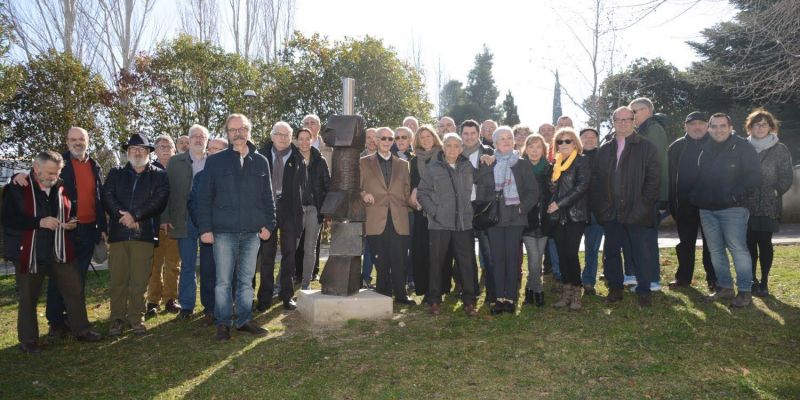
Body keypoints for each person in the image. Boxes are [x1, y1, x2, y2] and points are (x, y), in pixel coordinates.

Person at [10, 127, 108, 338]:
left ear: (87, 141)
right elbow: (33, 186)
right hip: (47, 240)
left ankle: (77, 324)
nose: (77, 142)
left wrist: (99, 227)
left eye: (81, 139)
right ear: (66, 141)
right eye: (73, 139)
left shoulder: (93, 166)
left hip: (81, 231)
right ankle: (54, 324)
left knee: (75, 281)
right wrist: (16, 176)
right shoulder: (51, 168)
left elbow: (97, 199)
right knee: (49, 285)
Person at [197, 114, 275, 341]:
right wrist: (205, 229)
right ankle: (223, 323)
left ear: (249, 130)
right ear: (227, 134)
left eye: (241, 129)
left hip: (252, 233)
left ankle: (244, 320)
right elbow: (204, 198)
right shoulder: (215, 161)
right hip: (223, 232)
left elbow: (268, 198)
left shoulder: (261, 161)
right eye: (232, 130)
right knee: (222, 281)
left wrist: (269, 223)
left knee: (246, 280)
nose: (237, 133)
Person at [591, 106, 661, 307]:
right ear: (613, 122)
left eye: (627, 119)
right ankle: (615, 288)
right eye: (618, 120)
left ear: (633, 121)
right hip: (611, 214)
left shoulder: (647, 148)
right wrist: (602, 210)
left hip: (637, 213)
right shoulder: (604, 150)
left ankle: (644, 290)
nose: (623, 123)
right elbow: (596, 183)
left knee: (640, 253)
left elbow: (653, 183)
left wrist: (642, 209)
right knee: (611, 252)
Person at [103, 133, 170, 335]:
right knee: (118, 279)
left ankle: (136, 318)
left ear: (149, 152)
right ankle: (117, 318)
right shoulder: (115, 173)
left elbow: (159, 200)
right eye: (133, 149)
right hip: (118, 234)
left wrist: (136, 216)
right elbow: (106, 196)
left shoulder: (159, 175)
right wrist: (121, 216)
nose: (137, 152)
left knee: (140, 280)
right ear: (127, 152)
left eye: (142, 149)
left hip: (144, 234)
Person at [692, 113, 761, 307]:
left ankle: (745, 291)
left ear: (731, 127)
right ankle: (725, 288)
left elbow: (754, 176)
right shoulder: (705, 148)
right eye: (714, 126)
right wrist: (697, 196)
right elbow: (700, 177)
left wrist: (735, 195)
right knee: (715, 251)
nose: (718, 130)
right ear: (709, 128)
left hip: (734, 209)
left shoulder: (743, 147)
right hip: (707, 209)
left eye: (723, 126)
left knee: (738, 249)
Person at [476, 126, 538, 315]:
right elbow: (482, 191)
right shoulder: (488, 163)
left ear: (514, 141)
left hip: (515, 218)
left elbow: (533, 191)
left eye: (509, 138)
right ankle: (498, 298)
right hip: (495, 219)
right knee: (497, 259)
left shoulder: (522, 163)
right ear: (494, 143)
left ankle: (510, 298)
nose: (506, 141)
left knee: (512, 259)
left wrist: (522, 207)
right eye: (501, 138)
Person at [417, 133, 480, 317]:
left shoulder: (467, 166)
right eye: (449, 145)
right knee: (436, 263)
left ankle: (469, 301)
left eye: (456, 146)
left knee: (466, 263)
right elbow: (422, 193)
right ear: (443, 147)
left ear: (461, 148)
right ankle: (434, 300)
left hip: (463, 224)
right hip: (439, 225)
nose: (453, 149)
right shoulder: (433, 167)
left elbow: (480, 185)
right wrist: (434, 212)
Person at [360, 127, 415, 305]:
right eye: (382, 138)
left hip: (399, 218)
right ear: (375, 140)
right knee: (381, 259)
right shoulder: (363, 162)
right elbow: (355, 188)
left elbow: (407, 192)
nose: (386, 141)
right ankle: (383, 293)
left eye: (390, 139)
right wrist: (363, 194)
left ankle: (401, 294)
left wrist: (416, 202)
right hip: (375, 218)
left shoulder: (403, 164)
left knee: (399, 258)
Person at [742, 109, 793, 297]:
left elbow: (787, 176)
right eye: (756, 124)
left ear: (771, 127)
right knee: (748, 244)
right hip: (745, 205)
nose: (760, 127)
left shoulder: (780, 149)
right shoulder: (743, 147)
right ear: (750, 127)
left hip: (768, 204)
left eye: (764, 124)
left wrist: (775, 191)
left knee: (764, 243)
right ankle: (751, 280)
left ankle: (764, 281)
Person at [257, 121, 305, 312]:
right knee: (267, 256)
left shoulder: (297, 157)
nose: (283, 138)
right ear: (272, 136)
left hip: (290, 211)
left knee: (289, 255)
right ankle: (264, 297)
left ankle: (287, 295)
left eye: (287, 135)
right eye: (279, 134)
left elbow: (303, 186)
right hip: (267, 210)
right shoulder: (260, 156)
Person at [168, 125, 213, 322]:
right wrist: (165, 219)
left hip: (207, 222)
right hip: (184, 221)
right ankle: (186, 306)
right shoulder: (175, 162)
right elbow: (166, 192)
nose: (197, 139)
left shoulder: (214, 162)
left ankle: (209, 304)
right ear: (188, 139)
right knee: (187, 264)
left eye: (201, 136)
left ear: (207, 140)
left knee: (208, 265)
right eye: (194, 136)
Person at [667, 112, 716, 291]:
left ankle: (713, 279)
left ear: (707, 126)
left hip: (710, 204)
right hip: (685, 204)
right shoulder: (676, 147)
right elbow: (670, 178)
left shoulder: (716, 144)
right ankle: (683, 278)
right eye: (692, 123)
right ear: (686, 126)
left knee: (711, 244)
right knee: (685, 243)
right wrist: (672, 203)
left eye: (701, 123)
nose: (697, 127)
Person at [182, 136, 227, 325]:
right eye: (210, 149)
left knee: (226, 272)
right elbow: (193, 203)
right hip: (207, 232)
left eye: (216, 149)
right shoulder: (200, 176)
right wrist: (203, 226)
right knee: (208, 271)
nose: (211, 152)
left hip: (228, 233)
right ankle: (209, 309)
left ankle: (225, 307)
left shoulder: (233, 175)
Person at [547, 128, 591, 310]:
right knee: (562, 254)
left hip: (575, 214)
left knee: (571, 253)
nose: (563, 144)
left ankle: (576, 292)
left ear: (575, 143)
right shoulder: (555, 164)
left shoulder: (582, 161)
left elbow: (582, 187)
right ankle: (566, 291)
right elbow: (552, 189)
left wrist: (559, 203)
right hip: (558, 217)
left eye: (568, 141)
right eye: (560, 141)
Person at [630, 97, 669, 291]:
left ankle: (652, 279)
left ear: (647, 110)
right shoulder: (643, 130)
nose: (631, 117)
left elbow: (652, 163)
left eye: (634, 112)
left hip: (648, 194)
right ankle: (642, 277)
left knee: (647, 239)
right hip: (643, 194)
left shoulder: (653, 129)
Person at [146, 135, 182, 316]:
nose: (165, 149)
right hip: (155, 225)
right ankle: (152, 301)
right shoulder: (148, 171)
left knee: (173, 264)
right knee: (154, 265)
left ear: (174, 149)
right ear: (155, 150)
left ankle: (171, 299)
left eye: (168, 146)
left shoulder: (180, 168)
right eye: (161, 146)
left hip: (176, 225)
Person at [460, 120, 494, 301]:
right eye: (465, 134)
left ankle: (492, 293)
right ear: (461, 136)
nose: (469, 137)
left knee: (488, 254)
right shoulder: (454, 154)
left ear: (479, 134)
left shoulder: (490, 153)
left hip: (483, 208)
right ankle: (470, 291)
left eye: (473, 133)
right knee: (466, 254)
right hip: (463, 209)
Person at [408, 125, 443, 299]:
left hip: (440, 210)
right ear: (418, 141)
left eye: (429, 136)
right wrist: (414, 191)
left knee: (437, 252)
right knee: (421, 251)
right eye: (422, 137)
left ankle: (438, 289)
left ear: (434, 137)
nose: (426, 139)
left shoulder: (443, 155)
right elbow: (414, 182)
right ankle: (426, 290)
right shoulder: (414, 161)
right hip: (421, 211)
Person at [296, 128, 331, 290]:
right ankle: (283, 281)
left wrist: (325, 211)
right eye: (300, 138)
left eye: (307, 138)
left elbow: (327, 186)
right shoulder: (291, 158)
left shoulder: (320, 160)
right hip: (296, 209)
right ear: (296, 141)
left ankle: (305, 283)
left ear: (312, 140)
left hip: (314, 209)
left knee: (309, 247)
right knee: (292, 246)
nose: (304, 142)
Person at [521, 134, 551, 307]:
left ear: (543, 150)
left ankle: (529, 289)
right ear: (526, 148)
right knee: (533, 258)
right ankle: (538, 289)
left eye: (538, 146)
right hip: (526, 221)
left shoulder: (550, 169)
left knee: (538, 259)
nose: (534, 150)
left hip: (545, 221)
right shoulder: (519, 167)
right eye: (531, 146)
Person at [579, 128, 603, 295]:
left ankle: (588, 281)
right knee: (570, 249)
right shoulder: (572, 157)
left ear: (597, 139)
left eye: (592, 136)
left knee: (592, 249)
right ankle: (571, 280)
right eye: (585, 136)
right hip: (576, 211)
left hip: (597, 212)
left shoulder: (605, 157)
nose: (589, 139)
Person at [361, 128, 378, 288]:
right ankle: (365, 277)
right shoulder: (358, 158)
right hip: (364, 208)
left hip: (383, 208)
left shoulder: (386, 157)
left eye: (375, 137)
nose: (373, 140)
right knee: (368, 244)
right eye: (369, 137)